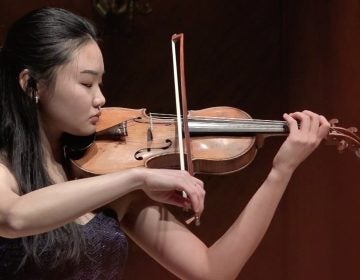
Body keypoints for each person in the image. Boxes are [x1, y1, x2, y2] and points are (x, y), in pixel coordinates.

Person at [0, 7, 330, 280]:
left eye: (100, 83)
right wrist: (138, 177)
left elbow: (212, 272)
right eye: (86, 83)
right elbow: (13, 218)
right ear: (31, 85)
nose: (101, 98)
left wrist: (281, 170)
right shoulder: (6, 169)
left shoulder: (104, 172)